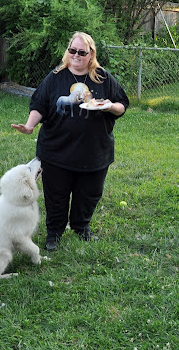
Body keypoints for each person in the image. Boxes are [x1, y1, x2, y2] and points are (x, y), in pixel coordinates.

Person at [12, 32, 129, 251]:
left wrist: (109, 106)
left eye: (81, 52)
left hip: (94, 151)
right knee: (56, 194)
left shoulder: (102, 77)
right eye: (72, 50)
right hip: (57, 150)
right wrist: (29, 126)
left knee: (89, 193)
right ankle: (54, 234)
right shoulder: (56, 76)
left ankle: (81, 228)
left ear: (91, 54)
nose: (75, 55)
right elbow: (39, 104)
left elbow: (122, 104)